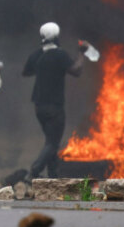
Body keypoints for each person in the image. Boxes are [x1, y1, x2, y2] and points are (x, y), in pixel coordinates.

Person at [22, 22, 89, 180]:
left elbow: (26, 72)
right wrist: (82, 53)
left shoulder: (37, 55)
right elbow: (77, 70)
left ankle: (53, 175)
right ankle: (34, 171)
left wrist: (42, 69)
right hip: (54, 107)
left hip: (39, 107)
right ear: (57, 37)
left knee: (50, 141)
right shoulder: (60, 55)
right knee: (53, 143)